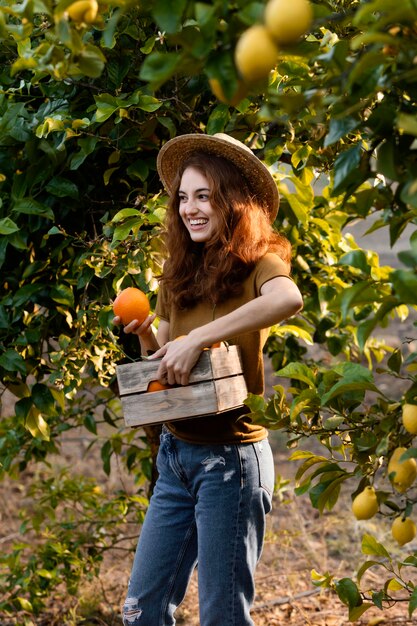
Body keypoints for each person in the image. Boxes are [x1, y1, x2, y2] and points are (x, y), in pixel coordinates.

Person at [115, 133, 303, 626]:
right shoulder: (177, 272)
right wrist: (149, 338)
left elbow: (288, 300)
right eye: (183, 197)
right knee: (141, 610)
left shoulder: (260, 263)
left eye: (205, 196)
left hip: (231, 460)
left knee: (221, 616)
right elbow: (168, 367)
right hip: (176, 455)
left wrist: (199, 337)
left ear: (234, 201)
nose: (190, 209)